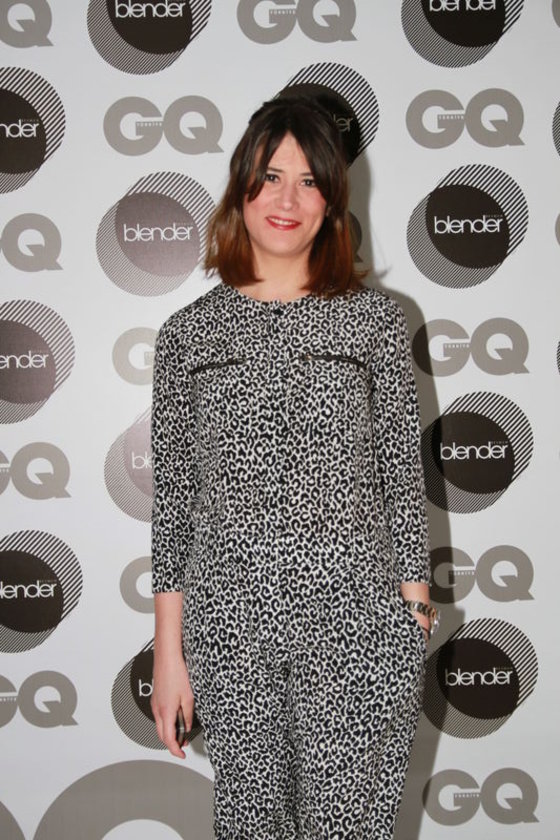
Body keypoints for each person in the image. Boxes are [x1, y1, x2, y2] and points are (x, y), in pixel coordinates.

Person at [150, 95, 438, 840]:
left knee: (347, 827)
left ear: (332, 201)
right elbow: (175, 502)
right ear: (240, 188)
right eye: (271, 177)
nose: (287, 200)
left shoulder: (375, 322)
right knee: (251, 825)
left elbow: (401, 475)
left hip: (358, 622)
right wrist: (169, 654)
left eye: (309, 181)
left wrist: (412, 610)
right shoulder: (187, 335)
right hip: (230, 625)